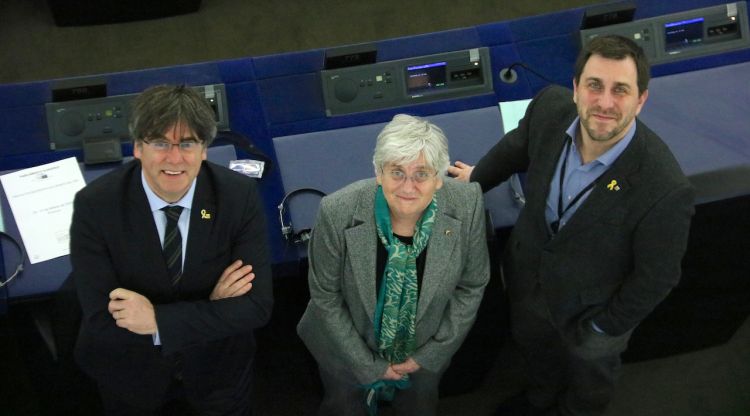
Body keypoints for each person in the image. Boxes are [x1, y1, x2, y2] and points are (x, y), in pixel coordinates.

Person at [448, 35, 695, 415]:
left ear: (641, 100)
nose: (605, 102)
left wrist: (602, 328)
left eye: (621, 90)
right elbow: (516, 147)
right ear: (576, 88)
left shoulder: (663, 189)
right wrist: (477, 178)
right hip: (528, 283)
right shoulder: (550, 108)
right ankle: (539, 399)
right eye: (595, 85)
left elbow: (656, 278)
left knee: (589, 379)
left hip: (592, 315)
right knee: (536, 355)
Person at [70, 85, 272, 415]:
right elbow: (101, 320)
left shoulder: (237, 196)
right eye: (160, 143)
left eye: (188, 143)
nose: (174, 158)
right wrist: (212, 307)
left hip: (218, 373)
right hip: (131, 376)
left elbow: (256, 307)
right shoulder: (96, 205)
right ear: (137, 148)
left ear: (204, 149)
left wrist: (158, 321)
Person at [297, 114, 490, 415]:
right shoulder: (336, 211)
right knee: (344, 406)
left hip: (423, 352)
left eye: (422, 174)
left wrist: (429, 355)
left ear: (439, 178)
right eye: (396, 172)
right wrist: (366, 364)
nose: (408, 187)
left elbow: (472, 284)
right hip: (346, 348)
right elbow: (325, 297)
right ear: (378, 173)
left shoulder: (467, 204)